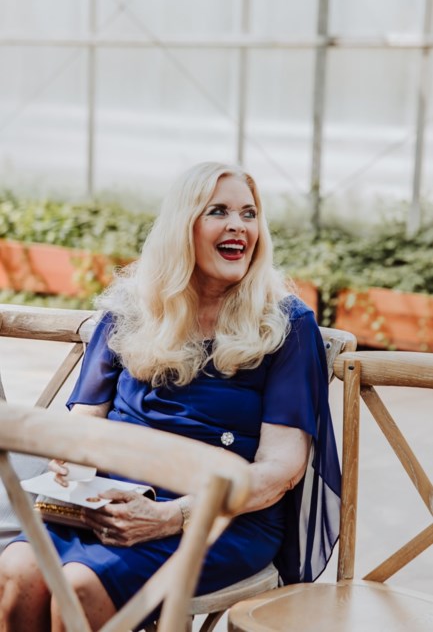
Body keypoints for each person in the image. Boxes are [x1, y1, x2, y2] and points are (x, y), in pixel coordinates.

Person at [0, 161, 341, 631]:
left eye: (249, 213)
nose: (239, 226)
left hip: (221, 519)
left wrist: (171, 516)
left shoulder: (285, 324)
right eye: (218, 211)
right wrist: (69, 464)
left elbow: (280, 472)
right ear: (182, 227)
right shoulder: (132, 307)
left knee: (79, 586)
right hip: (106, 503)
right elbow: (82, 423)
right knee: (16, 571)